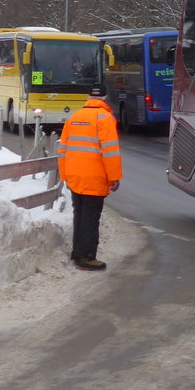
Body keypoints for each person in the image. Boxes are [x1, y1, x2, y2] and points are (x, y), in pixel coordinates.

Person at [57, 83, 123, 270]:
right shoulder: (105, 118)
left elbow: (62, 149)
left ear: (88, 97)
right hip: (94, 177)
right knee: (91, 217)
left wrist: (65, 175)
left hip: (74, 176)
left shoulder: (75, 117)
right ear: (104, 97)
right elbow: (110, 152)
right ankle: (86, 258)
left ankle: (77, 252)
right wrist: (114, 177)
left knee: (80, 214)